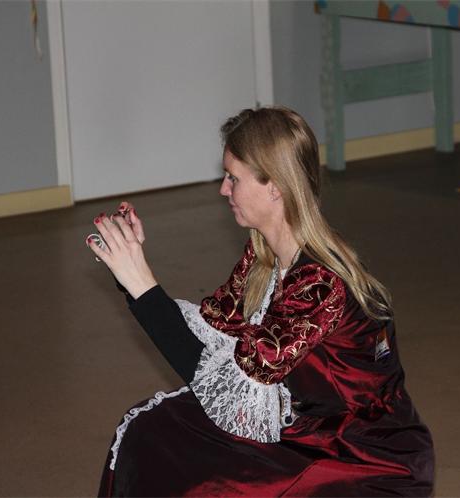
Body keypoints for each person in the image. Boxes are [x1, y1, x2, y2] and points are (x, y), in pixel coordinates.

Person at [86, 107, 434, 497]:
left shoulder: (318, 284)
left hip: (363, 455)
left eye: (233, 178)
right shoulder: (265, 258)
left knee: (213, 485)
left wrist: (141, 283)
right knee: (149, 431)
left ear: (275, 186)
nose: (223, 189)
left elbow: (227, 389)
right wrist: (130, 274)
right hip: (308, 429)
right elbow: (207, 337)